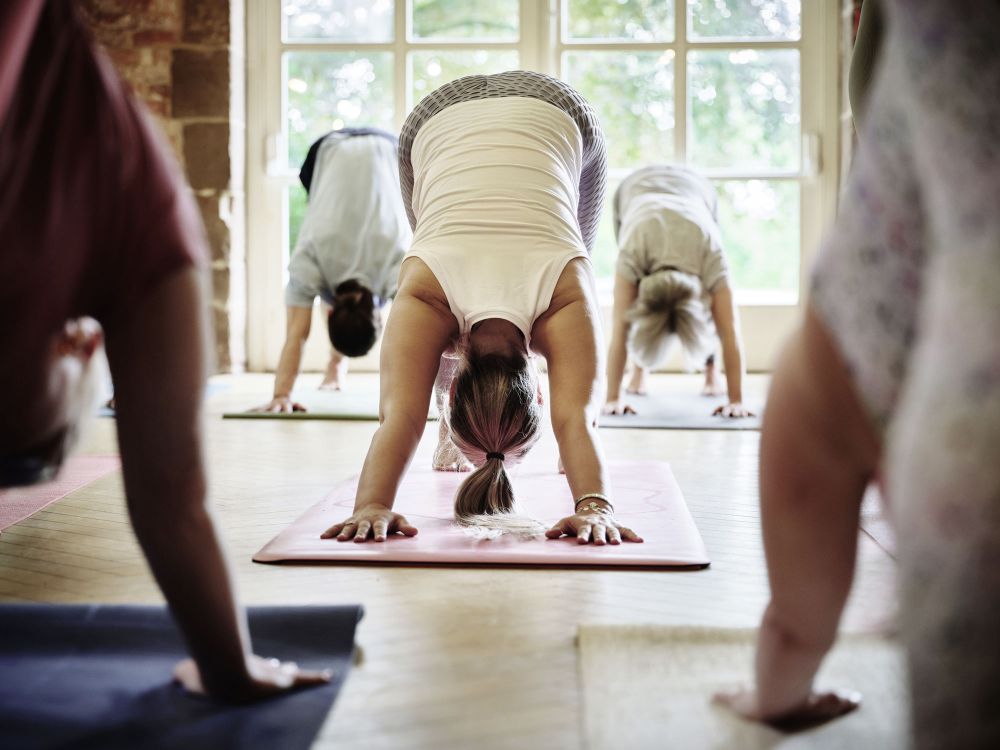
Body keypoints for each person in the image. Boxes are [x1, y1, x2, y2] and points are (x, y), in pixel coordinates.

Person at [0, 0, 327, 699]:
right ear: (84, 345)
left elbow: (173, 501)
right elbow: (170, 499)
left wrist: (233, 670)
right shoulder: (140, 219)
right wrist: (229, 669)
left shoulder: (142, 217)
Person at [715, 2, 1000, 745]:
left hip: (948, 415)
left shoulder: (832, 340)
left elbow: (795, 622)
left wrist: (776, 693)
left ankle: (775, 700)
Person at [320, 71, 644, 546]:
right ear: (452, 392)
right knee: (446, 224)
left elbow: (575, 418)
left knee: (574, 251)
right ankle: (567, 452)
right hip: (431, 120)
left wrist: (595, 506)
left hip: (559, 112)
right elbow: (400, 418)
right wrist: (372, 505)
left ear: (537, 395)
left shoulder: (564, 296)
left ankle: (572, 449)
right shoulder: (426, 293)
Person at [254, 127, 410, 413]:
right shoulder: (310, 261)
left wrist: (281, 395)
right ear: (329, 315)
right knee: (330, 283)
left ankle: (335, 366)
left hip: (391, 148)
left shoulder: (395, 266)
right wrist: (281, 395)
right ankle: (335, 367)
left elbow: (296, 334)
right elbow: (404, 340)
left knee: (335, 285)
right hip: (343, 147)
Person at [603, 165, 752, 419]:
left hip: (697, 188)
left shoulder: (710, 251)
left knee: (717, 305)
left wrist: (736, 400)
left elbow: (728, 331)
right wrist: (613, 398)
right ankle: (640, 371)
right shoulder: (633, 251)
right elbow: (621, 331)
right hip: (633, 189)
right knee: (632, 310)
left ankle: (711, 372)